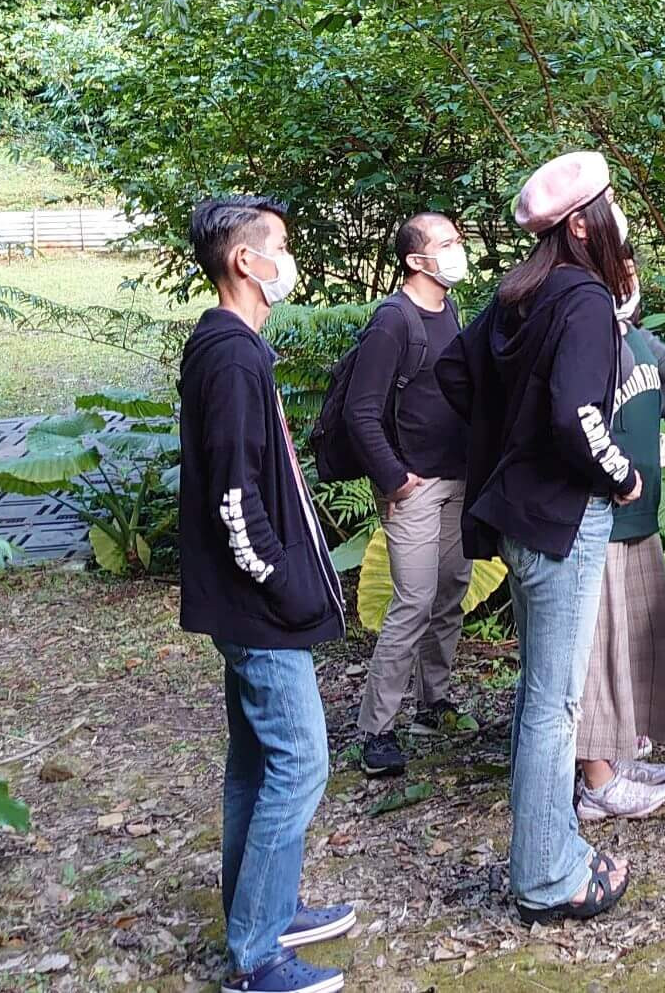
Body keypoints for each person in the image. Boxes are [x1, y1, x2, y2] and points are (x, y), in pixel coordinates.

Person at [438, 152, 640, 925]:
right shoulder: (585, 300)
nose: (619, 216)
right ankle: (546, 876)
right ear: (583, 223)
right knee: (554, 705)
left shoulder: (518, 293)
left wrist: (504, 444)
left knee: (540, 699)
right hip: (561, 521)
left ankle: (555, 845)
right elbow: (577, 419)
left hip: (517, 516)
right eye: (610, 204)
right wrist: (621, 476)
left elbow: (458, 374)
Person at [175, 196, 357, 993]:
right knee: (300, 764)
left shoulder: (236, 348)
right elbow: (234, 497)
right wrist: (285, 588)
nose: (288, 257)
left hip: (251, 602)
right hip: (257, 606)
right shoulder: (229, 356)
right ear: (245, 261)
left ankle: (269, 909)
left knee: (255, 762)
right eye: (278, 245)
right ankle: (255, 953)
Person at [351, 213, 471, 778]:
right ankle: (376, 729)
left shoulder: (449, 309)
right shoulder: (392, 322)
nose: (458, 250)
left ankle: (435, 702)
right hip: (414, 488)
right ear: (415, 260)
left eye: (457, 240)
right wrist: (394, 478)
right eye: (445, 244)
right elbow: (360, 411)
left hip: (457, 480)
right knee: (413, 602)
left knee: (450, 592)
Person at [574, 286, 665, 823]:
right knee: (596, 649)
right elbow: (571, 423)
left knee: (638, 637)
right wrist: (615, 473)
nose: (626, 280)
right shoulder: (582, 340)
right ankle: (595, 779)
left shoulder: (633, 338)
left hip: (641, 516)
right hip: (598, 518)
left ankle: (617, 752)